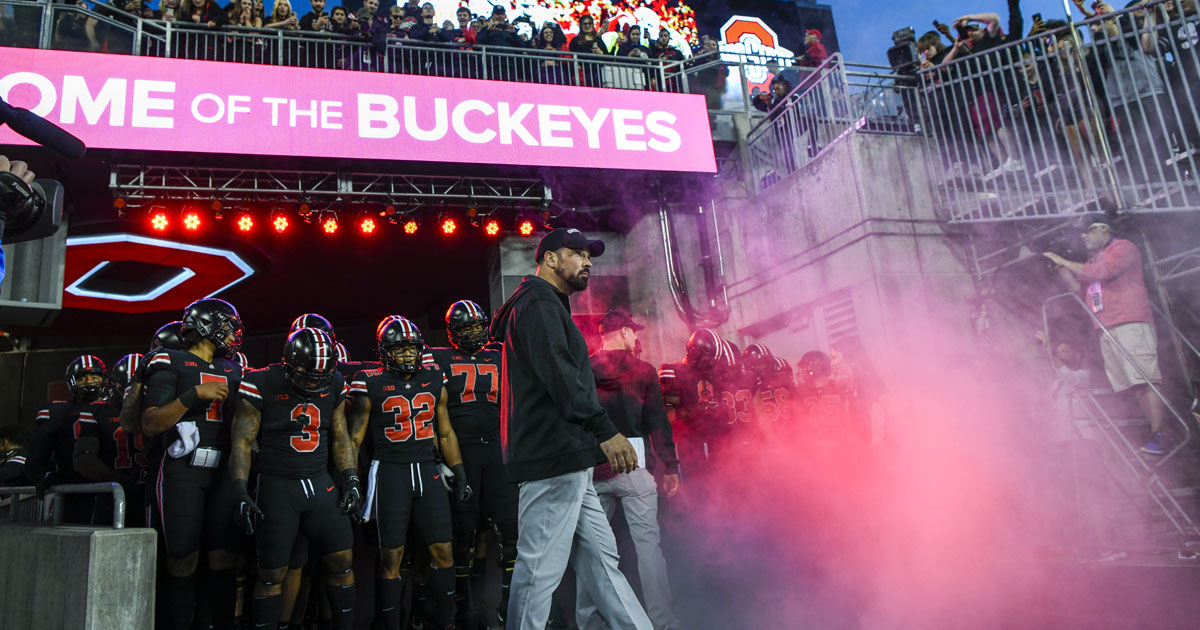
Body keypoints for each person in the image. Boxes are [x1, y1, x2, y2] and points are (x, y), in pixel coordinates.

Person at [488, 228, 651, 630]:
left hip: (568, 457)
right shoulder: (538, 305)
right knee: (538, 572)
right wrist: (605, 430)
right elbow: (561, 378)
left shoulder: (547, 306)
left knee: (602, 565)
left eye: (589, 255)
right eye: (576, 253)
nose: (588, 261)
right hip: (551, 459)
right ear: (549, 259)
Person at [230, 327, 360, 630]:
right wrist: (239, 489)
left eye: (321, 376)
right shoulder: (260, 381)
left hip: (319, 482)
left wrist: (351, 478)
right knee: (271, 574)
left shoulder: (336, 382)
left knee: (342, 562)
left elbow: (340, 437)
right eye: (308, 376)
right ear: (288, 364)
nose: (315, 382)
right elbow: (242, 441)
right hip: (277, 485)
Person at [348, 316, 471, 630]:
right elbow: (355, 437)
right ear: (385, 350)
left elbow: (444, 433)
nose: (406, 355)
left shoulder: (433, 377)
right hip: (391, 472)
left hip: (426, 471)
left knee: (443, 550)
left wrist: (459, 471)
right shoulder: (369, 380)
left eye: (411, 348)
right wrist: (350, 476)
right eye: (399, 349)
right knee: (392, 555)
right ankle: (389, 623)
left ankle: (447, 622)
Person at [141, 298, 244, 629]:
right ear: (205, 325)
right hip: (182, 470)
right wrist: (192, 395)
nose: (233, 334)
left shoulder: (233, 368)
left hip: (223, 472)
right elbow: (151, 422)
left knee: (223, 556)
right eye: (227, 325)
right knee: (182, 558)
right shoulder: (170, 360)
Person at [577, 309, 682, 630]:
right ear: (622, 332)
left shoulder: (583, 369)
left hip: (594, 469)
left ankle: (590, 622)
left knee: (591, 551)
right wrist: (670, 465)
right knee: (648, 547)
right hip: (634, 467)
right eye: (633, 332)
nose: (636, 338)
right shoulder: (644, 370)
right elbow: (657, 421)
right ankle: (661, 622)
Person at [426, 300, 518, 629]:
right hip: (460, 451)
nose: (474, 334)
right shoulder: (437, 358)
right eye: (466, 329)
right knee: (461, 534)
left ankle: (509, 606)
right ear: (452, 332)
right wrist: (440, 458)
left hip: (496, 449)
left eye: (478, 327)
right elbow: (429, 413)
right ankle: (464, 610)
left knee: (511, 531)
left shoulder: (499, 353)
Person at [1044, 220, 1169, 454]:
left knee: (1145, 378)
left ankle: (1160, 432)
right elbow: (1077, 289)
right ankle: (1157, 434)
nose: (1084, 236)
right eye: (1082, 233)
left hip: (1129, 321)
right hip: (1106, 326)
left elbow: (1104, 272)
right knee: (1134, 384)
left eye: (1089, 230)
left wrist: (1065, 261)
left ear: (1105, 229)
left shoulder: (1123, 248)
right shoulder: (1092, 261)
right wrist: (1060, 268)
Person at [25, 355, 107, 524]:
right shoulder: (57, 411)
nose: (89, 382)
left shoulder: (114, 409)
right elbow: (36, 457)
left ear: (104, 379)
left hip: (108, 487)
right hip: (71, 487)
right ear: (72, 383)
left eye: (94, 377)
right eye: (82, 378)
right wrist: (43, 475)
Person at [73, 353, 149, 526]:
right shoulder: (97, 411)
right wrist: (118, 478)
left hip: (152, 490)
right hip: (112, 493)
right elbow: (83, 459)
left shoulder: (159, 409)